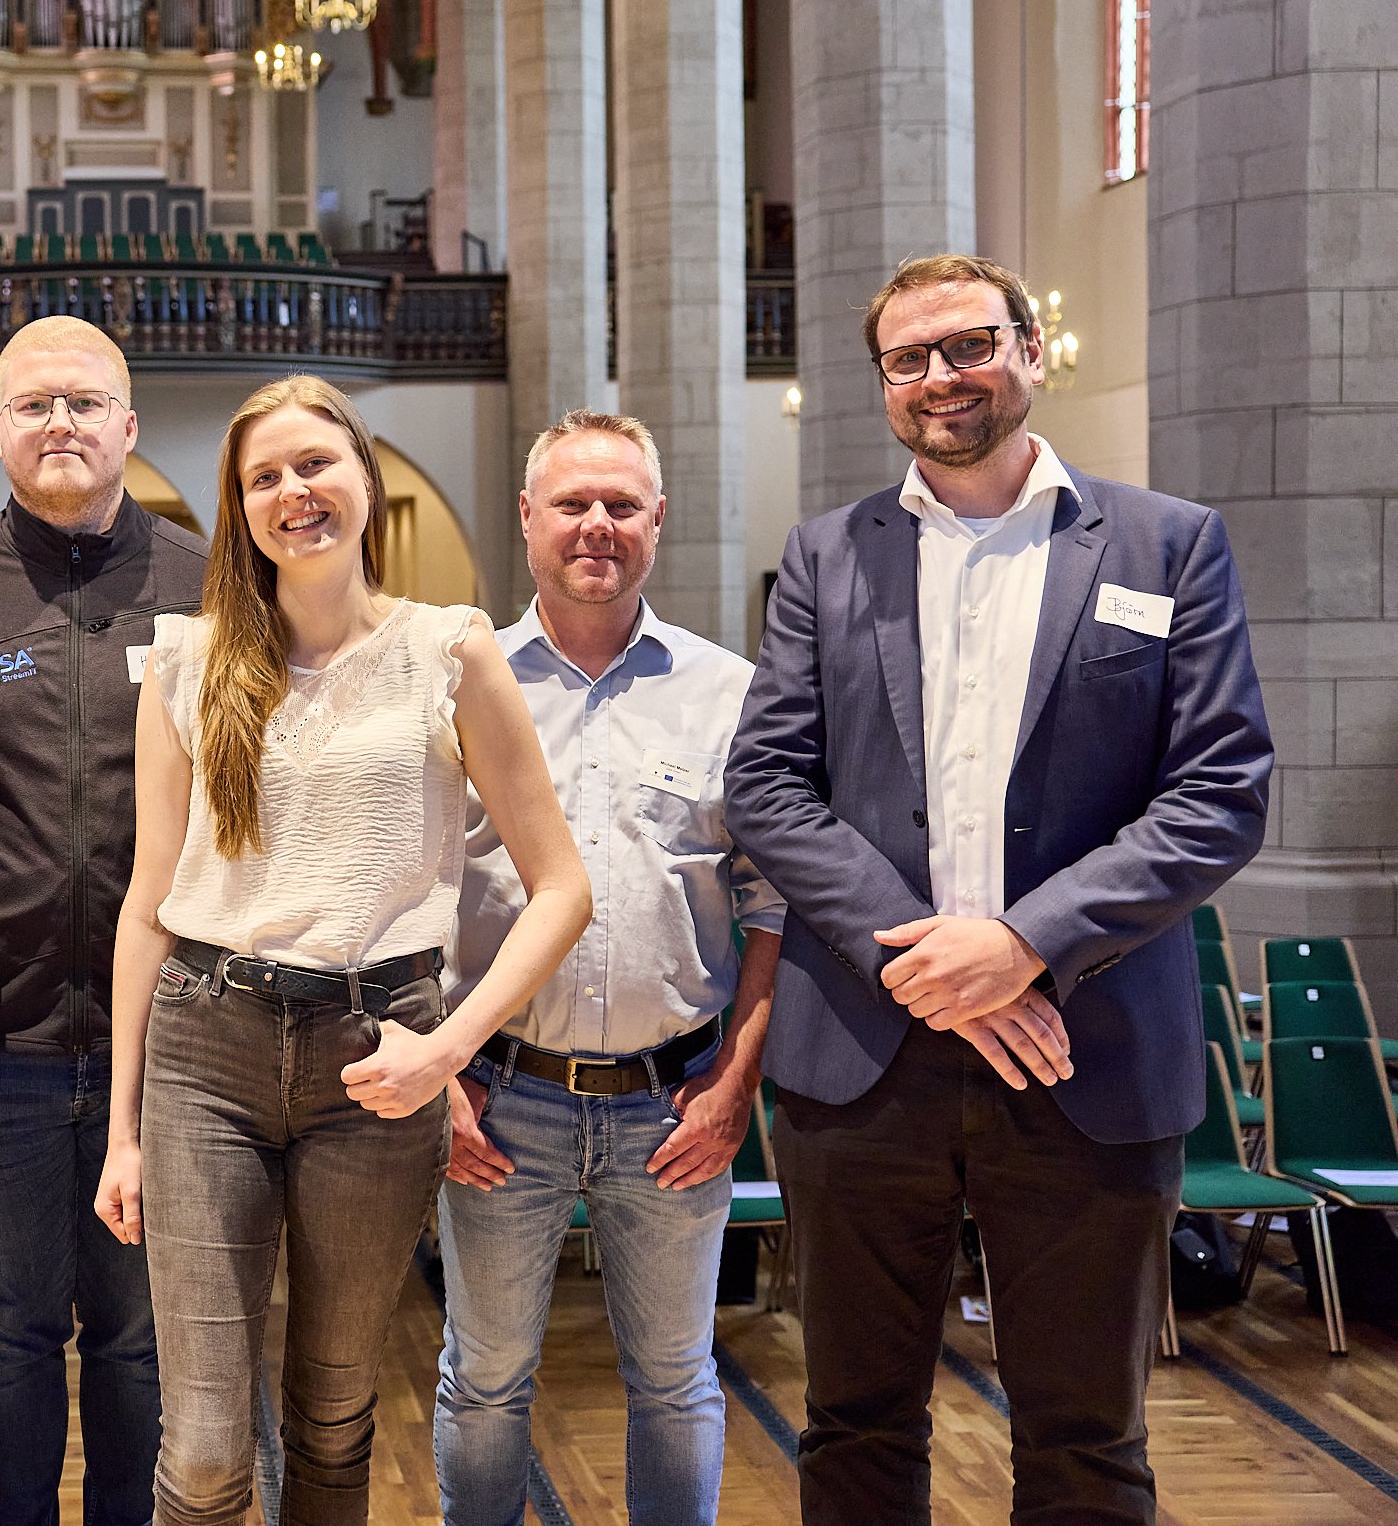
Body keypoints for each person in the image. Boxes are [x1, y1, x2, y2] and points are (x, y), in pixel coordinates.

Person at [725, 253, 1272, 1523]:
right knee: (854, 1424)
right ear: (883, 385)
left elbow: (1218, 791)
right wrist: (924, 957)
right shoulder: (827, 554)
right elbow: (766, 785)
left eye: (967, 344)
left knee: (1087, 1438)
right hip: (863, 1058)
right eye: (907, 359)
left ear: (1031, 349)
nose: (939, 377)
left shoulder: (1165, 544)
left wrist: (1022, 944)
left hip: (1084, 1058)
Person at [93, 374, 594, 1526]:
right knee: (209, 1445)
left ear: (364, 477)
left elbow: (561, 885)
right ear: (239, 508)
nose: (292, 491)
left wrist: (449, 1049)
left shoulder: (449, 651)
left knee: (329, 1414)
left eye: (315, 463)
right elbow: (146, 908)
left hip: (378, 1053)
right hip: (204, 1049)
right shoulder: (188, 659)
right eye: (261, 476)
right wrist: (122, 1130)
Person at [0, 315, 203, 1526]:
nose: (59, 422)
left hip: (168, 1042)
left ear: (127, 424)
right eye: (34, 403)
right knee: (8, 1334)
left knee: (135, 1334)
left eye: (84, 400)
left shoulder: (206, 582)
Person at [435, 411, 786, 1526]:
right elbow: (403, 898)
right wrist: (441, 1073)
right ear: (527, 516)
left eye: (621, 504)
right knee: (483, 1383)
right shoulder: (457, 684)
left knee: (677, 1383)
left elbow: (772, 905)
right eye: (573, 503)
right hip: (498, 1100)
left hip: (672, 1103)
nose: (597, 525)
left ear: (657, 522)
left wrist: (735, 1083)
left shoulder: (731, 691)